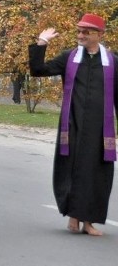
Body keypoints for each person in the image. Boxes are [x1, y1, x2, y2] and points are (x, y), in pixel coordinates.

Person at [29, 13, 118, 236]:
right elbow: (38, 69)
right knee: (73, 170)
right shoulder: (69, 57)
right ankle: (73, 216)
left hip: (100, 130)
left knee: (97, 174)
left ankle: (89, 222)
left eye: (85, 32)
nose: (80, 35)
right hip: (73, 124)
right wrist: (42, 43)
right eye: (78, 31)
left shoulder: (113, 61)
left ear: (99, 34)